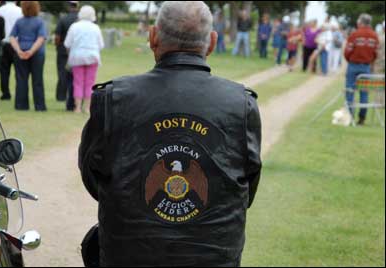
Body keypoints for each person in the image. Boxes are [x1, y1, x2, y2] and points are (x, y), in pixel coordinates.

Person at [79, 1, 262, 267]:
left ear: (153, 37)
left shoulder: (113, 98)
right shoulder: (242, 105)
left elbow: (92, 175)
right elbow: (246, 188)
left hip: (129, 255)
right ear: (211, 42)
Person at [64, 5, 104, 114]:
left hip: (77, 57)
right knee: (90, 83)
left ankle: (77, 108)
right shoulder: (96, 27)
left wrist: (70, 54)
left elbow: (67, 44)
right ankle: (87, 108)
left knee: (77, 82)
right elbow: (101, 45)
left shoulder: (74, 26)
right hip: (92, 57)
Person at [10, 1, 48, 111]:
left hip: (21, 52)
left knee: (21, 79)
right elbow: (41, 38)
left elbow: (12, 37)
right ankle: (39, 106)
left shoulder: (19, 21)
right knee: (37, 80)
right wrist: (31, 51)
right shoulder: (39, 22)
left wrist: (19, 51)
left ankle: (21, 105)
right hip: (37, 54)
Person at [344, 14, 379, 125]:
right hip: (366, 66)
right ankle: (362, 118)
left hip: (353, 65)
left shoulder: (355, 34)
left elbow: (347, 50)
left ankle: (349, 117)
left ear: (361, 22)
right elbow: (375, 53)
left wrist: (349, 59)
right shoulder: (374, 36)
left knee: (350, 91)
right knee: (364, 93)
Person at [54, 1, 79, 111]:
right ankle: (74, 97)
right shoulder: (80, 20)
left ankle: (61, 96)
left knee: (62, 73)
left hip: (63, 49)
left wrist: (57, 45)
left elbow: (57, 36)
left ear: (69, 6)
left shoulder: (63, 19)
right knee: (76, 75)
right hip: (77, 51)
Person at [0, 1, 22, 101]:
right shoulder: (20, 11)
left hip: (2, 43)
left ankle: (5, 93)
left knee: (4, 70)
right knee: (19, 71)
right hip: (16, 44)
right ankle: (19, 93)